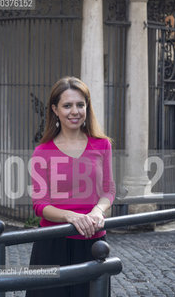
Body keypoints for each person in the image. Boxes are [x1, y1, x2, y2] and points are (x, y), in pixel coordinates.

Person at [26, 76, 116, 297]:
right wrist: (72, 217)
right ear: (55, 110)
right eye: (67, 105)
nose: (74, 111)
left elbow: (108, 190)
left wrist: (96, 211)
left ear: (87, 107)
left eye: (80, 105)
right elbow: (39, 204)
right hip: (52, 243)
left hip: (93, 242)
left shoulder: (102, 144)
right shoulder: (42, 151)